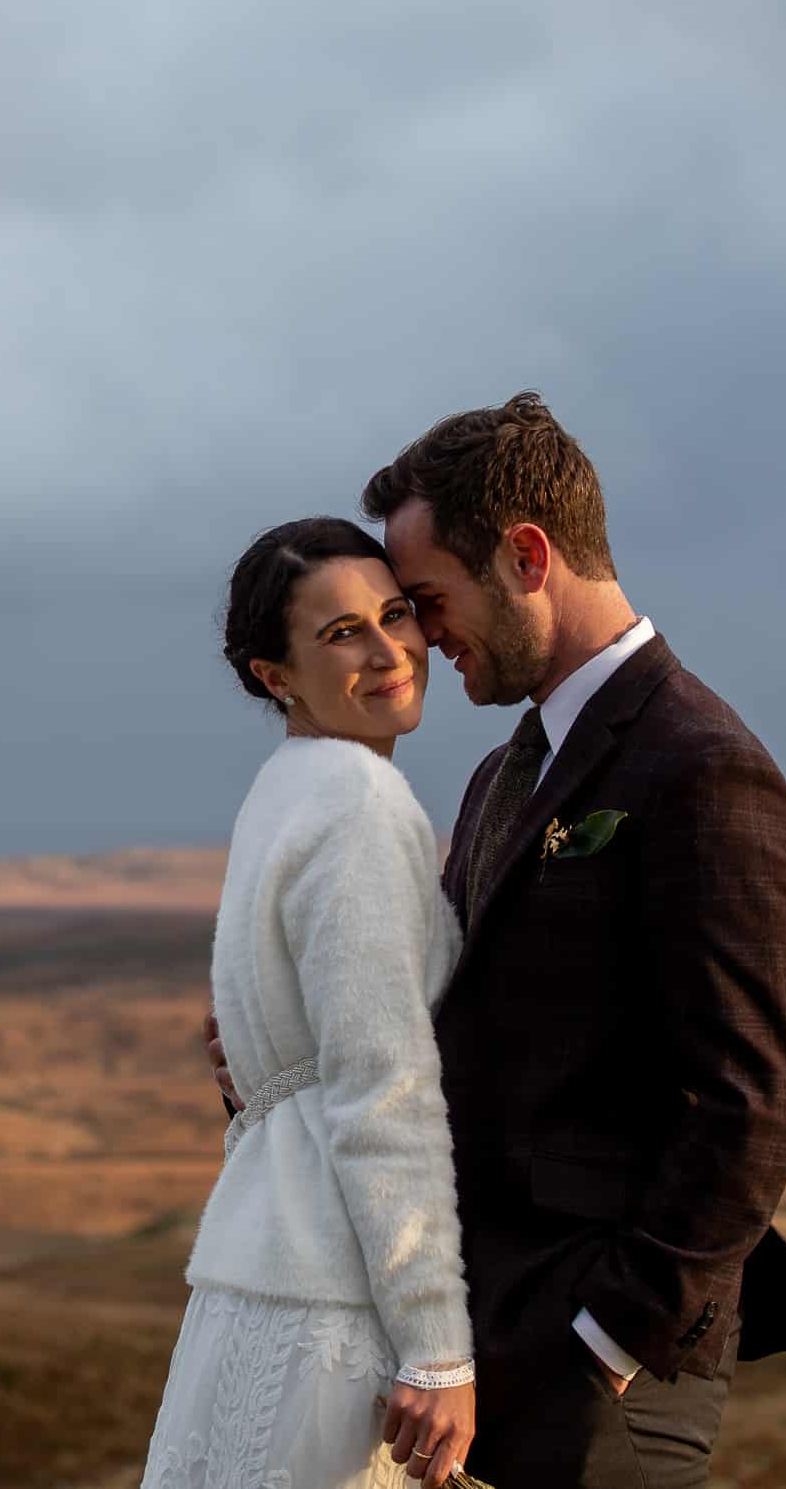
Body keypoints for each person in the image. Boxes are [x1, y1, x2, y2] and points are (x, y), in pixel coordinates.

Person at [207, 396, 786, 1488]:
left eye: (425, 600)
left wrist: (598, 1347)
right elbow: (468, 1031)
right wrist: (291, 1061)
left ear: (524, 556)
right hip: (489, 1341)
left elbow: (750, 1098)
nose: (419, 636)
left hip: (602, 1375)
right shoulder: (501, 770)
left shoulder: (700, 765)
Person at [140, 517, 480, 1489]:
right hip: (336, 1303)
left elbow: (263, 1071)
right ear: (272, 673)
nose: (389, 651)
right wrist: (437, 1348)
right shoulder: (358, 803)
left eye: (396, 613)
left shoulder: (281, 790)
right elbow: (383, 1088)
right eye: (340, 634)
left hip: (251, 1284)